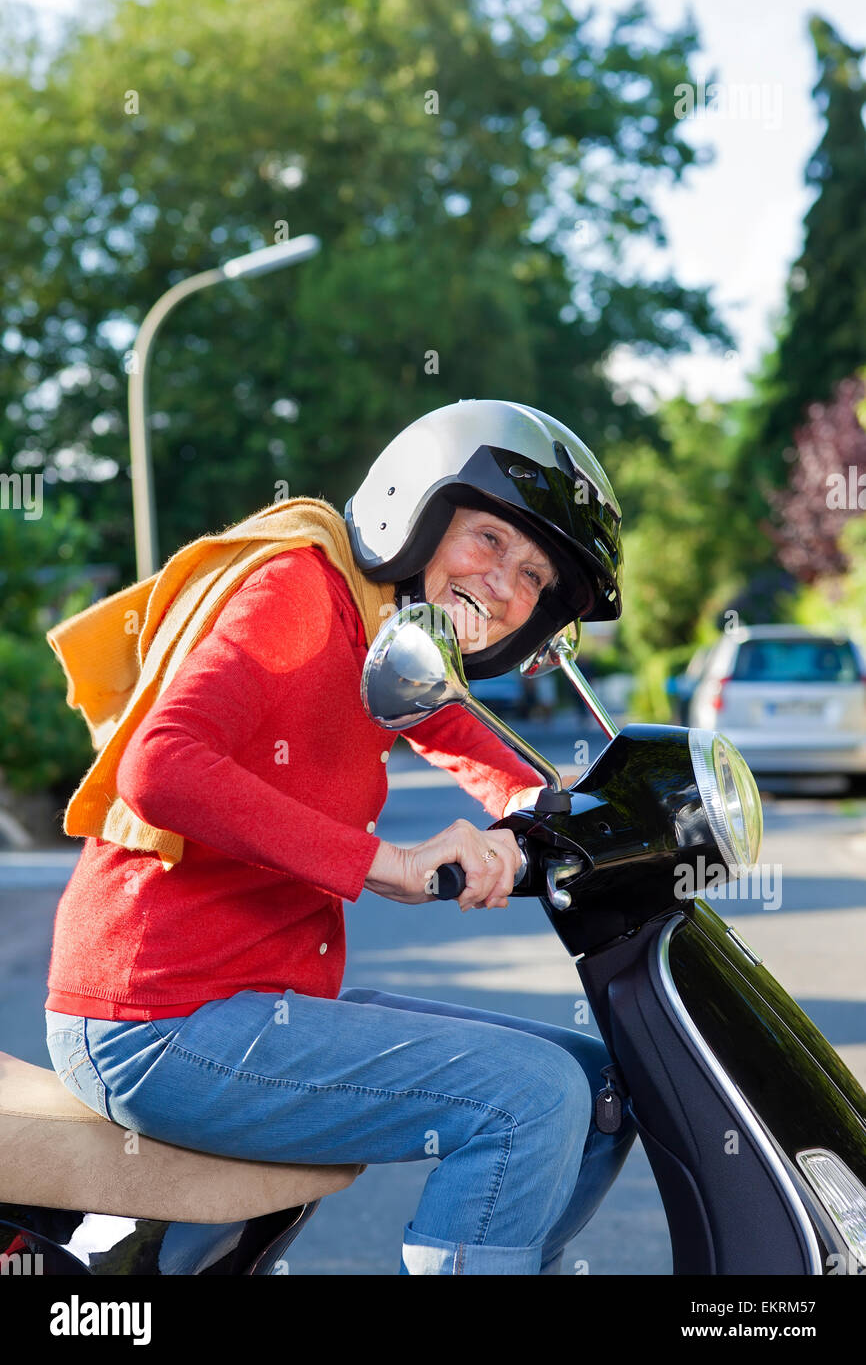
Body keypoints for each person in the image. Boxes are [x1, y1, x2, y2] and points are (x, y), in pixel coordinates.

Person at [44, 397, 633, 1275]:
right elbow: (159, 767)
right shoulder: (299, 593)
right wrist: (386, 863)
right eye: (489, 541)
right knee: (530, 1098)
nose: (507, 587)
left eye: (537, 580)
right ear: (418, 513)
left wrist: (551, 811)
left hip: (259, 1005)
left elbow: (450, 726)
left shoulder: (387, 636)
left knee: (598, 1088)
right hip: (154, 1023)